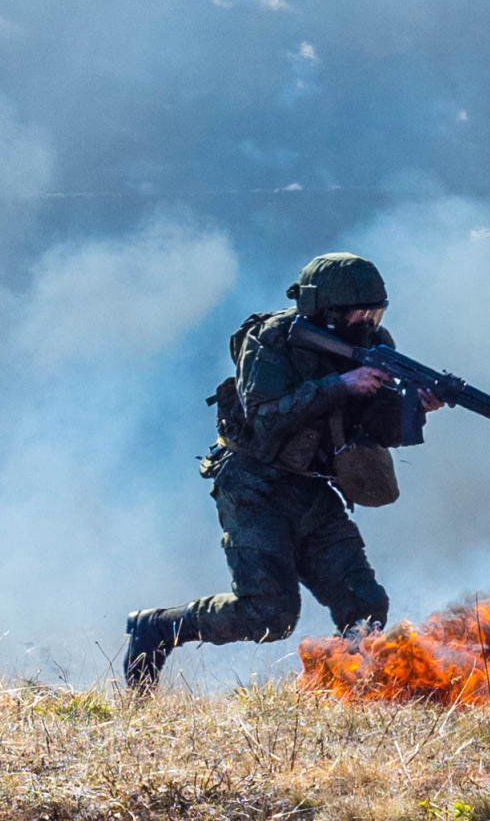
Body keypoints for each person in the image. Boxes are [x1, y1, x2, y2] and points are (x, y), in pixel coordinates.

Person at [123, 252, 441, 692]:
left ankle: (350, 690)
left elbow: (372, 429)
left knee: (365, 605)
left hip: (312, 487)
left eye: (375, 311)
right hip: (254, 484)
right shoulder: (271, 341)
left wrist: (413, 406)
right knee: (268, 615)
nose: (368, 320)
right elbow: (267, 418)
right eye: (358, 312)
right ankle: (157, 628)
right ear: (325, 311)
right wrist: (341, 385)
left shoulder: (373, 344)